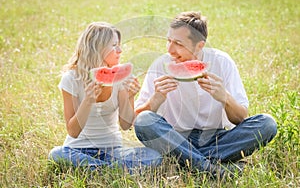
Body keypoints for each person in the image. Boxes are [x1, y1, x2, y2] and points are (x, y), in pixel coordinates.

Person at [134, 11, 277, 178]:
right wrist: (156, 99)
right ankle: (213, 169)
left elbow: (240, 118)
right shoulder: (160, 65)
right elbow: (137, 120)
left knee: (267, 124)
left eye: (179, 44)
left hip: (216, 139)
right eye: (168, 41)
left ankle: (184, 162)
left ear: (200, 45)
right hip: (174, 137)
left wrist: (225, 98)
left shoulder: (222, 62)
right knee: (145, 121)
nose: (170, 50)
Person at [48, 22, 162, 173]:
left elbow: (126, 125)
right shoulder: (71, 79)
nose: (120, 50)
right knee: (56, 154)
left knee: (153, 156)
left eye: (119, 45)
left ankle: (98, 170)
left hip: (113, 151)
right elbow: (73, 131)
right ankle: (112, 171)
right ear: (97, 48)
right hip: (77, 150)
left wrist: (130, 96)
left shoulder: (122, 76)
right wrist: (88, 101)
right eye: (114, 45)